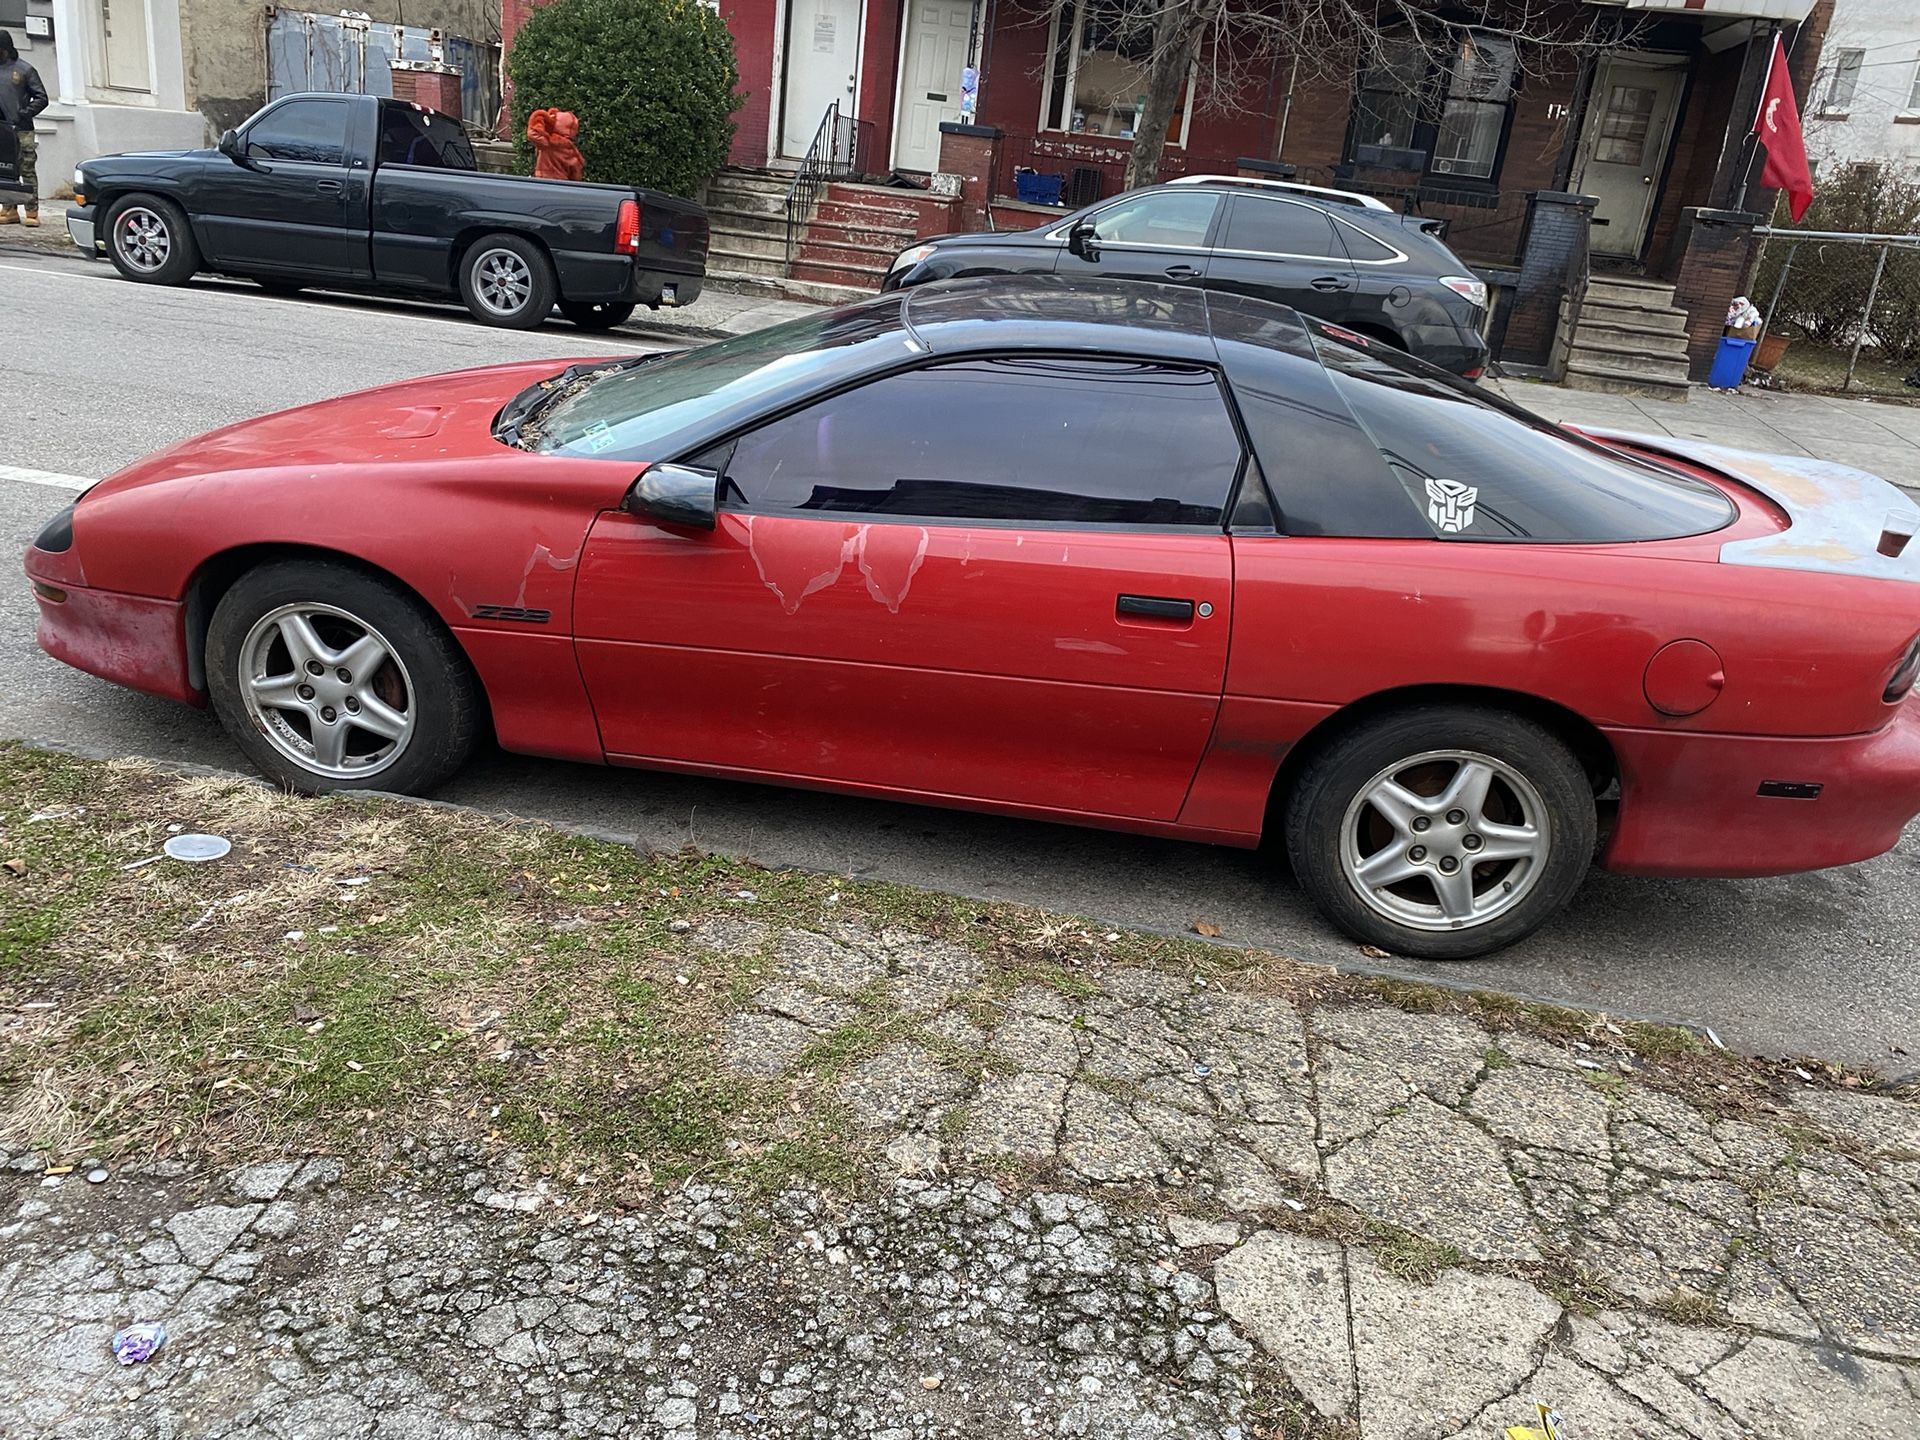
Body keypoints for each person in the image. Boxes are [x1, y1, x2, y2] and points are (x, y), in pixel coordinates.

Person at [0, 30, 49, 227]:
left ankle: (32, 210)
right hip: (2, 130)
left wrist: (25, 113)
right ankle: (9, 209)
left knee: (26, 168)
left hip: (21, 128)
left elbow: (41, 97)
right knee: (5, 170)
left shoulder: (25, 70)